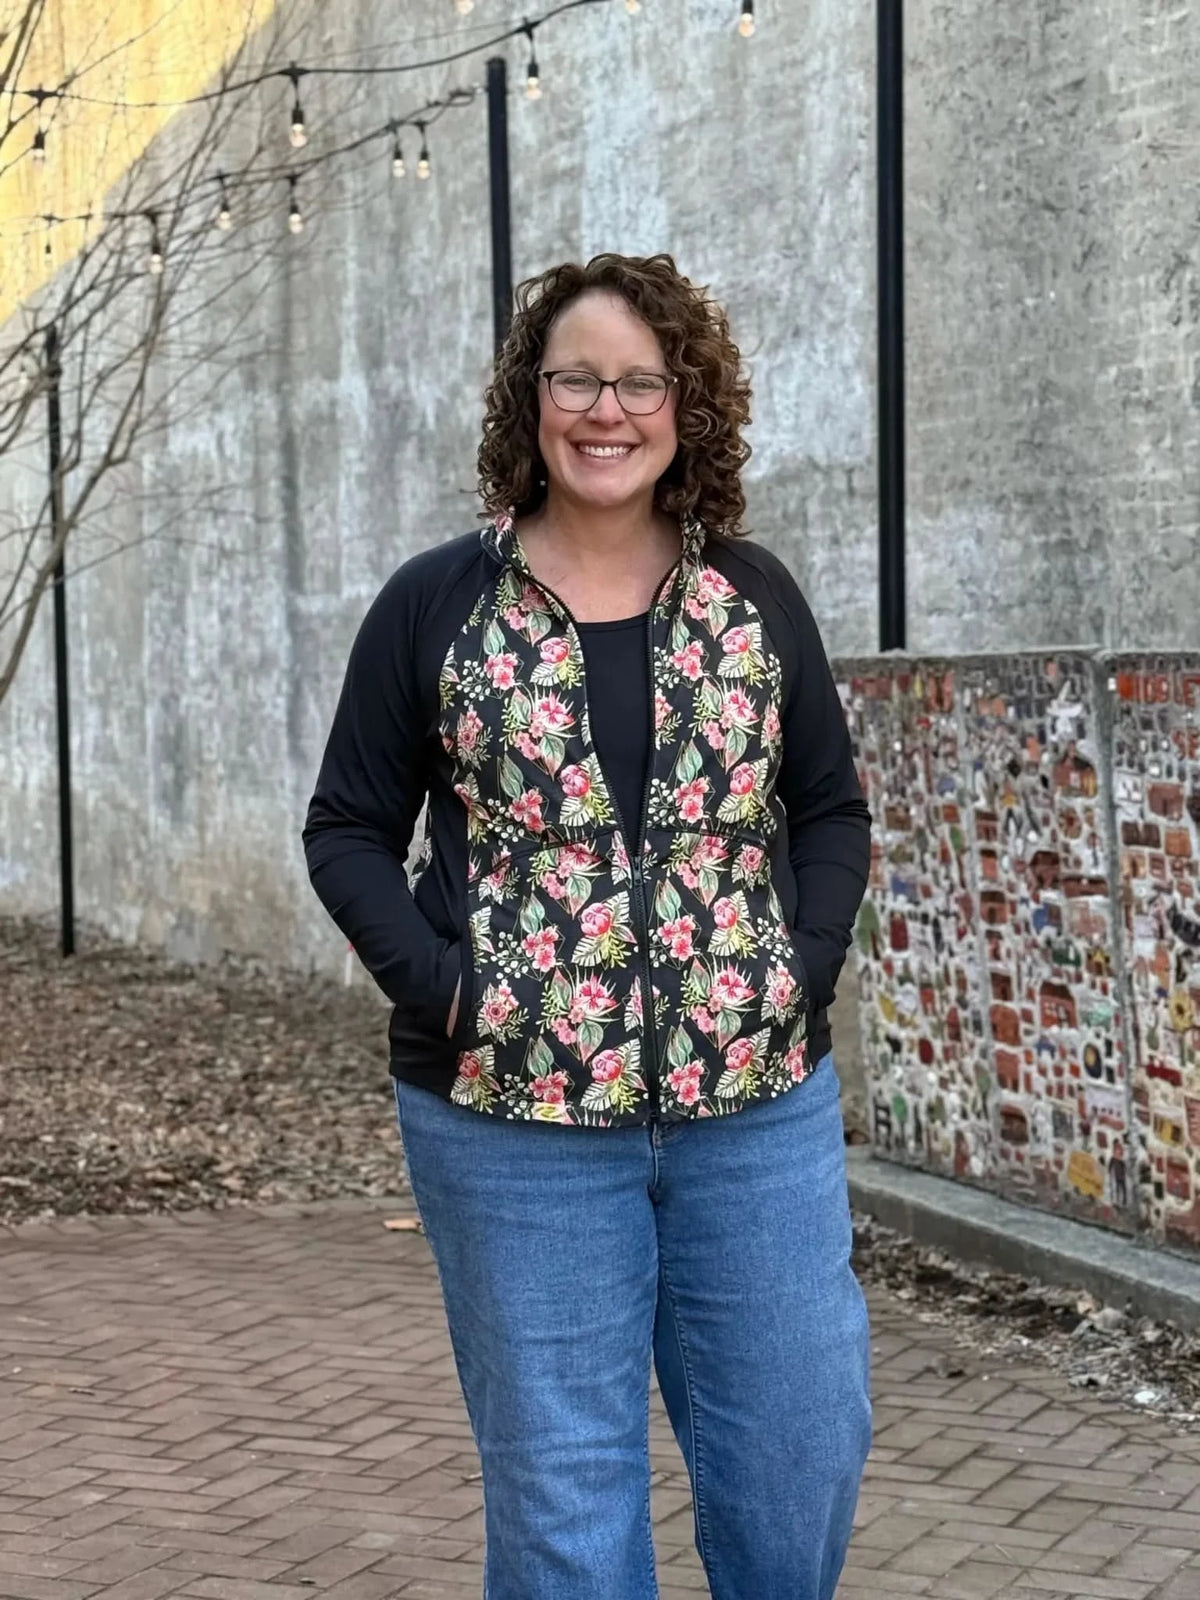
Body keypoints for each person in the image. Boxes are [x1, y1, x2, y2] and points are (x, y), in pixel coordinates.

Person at [303, 252, 872, 1600]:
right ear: (532, 399)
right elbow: (346, 830)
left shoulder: (754, 598)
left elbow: (831, 809)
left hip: (755, 1109)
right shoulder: (437, 606)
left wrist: (798, 971)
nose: (604, 410)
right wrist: (448, 990)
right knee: (568, 1496)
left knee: (803, 1450)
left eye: (637, 381)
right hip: (509, 1121)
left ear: (686, 405)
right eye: (575, 379)